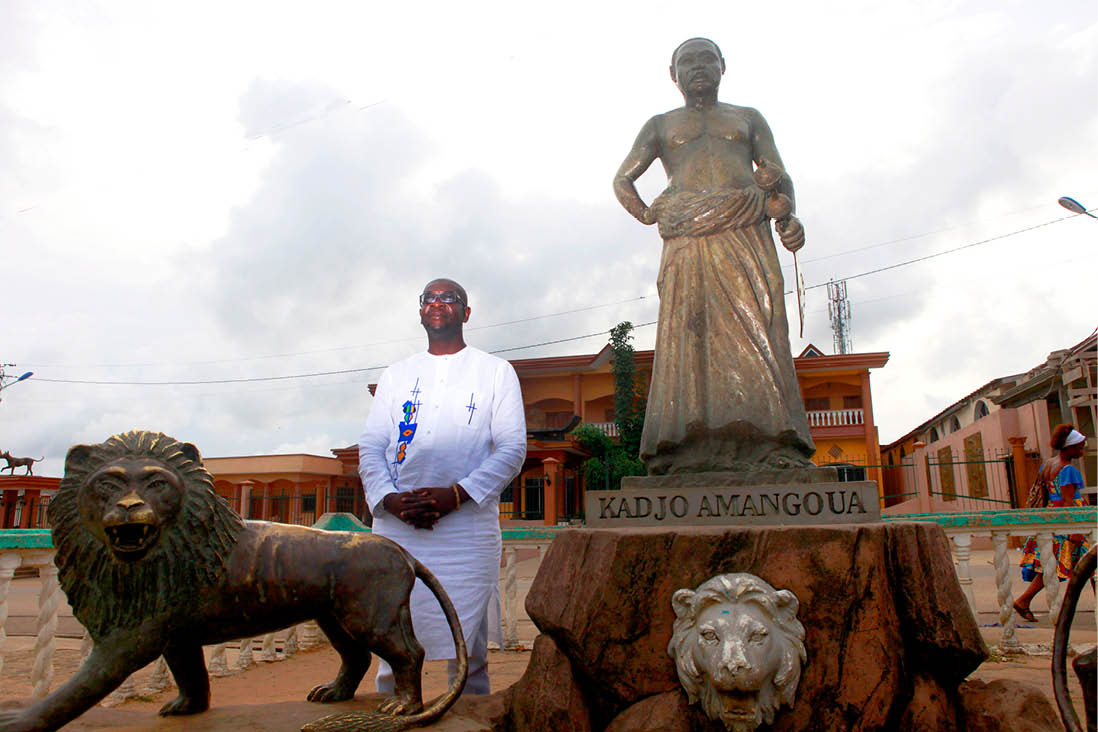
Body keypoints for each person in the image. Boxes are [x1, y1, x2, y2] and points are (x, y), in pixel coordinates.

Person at [613, 37, 814, 475]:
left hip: (746, 229)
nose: (698, 67)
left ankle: (771, 440)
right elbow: (623, 179)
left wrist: (788, 219)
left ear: (723, 67)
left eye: (707, 59)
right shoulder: (660, 125)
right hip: (688, 236)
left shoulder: (748, 119)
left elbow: (778, 178)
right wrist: (648, 213)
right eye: (688, 61)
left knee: (759, 325)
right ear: (674, 74)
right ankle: (686, 445)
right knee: (690, 331)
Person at [358, 278, 527, 695]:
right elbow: (373, 445)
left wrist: (456, 494)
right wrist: (390, 500)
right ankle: (394, 710)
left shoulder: (495, 372)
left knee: (468, 647)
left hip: (465, 527)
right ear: (420, 312)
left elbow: (511, 447)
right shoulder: (397, 375)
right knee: (392, 629)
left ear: (465, 313)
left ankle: (468, 714)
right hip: (399, 525)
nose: (438, 304)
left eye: (448, 298)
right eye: (429, 299)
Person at [1013, 424, 1092, 621]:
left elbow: (1047, 496)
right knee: (1089, 564)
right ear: (1070, 447)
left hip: (1052, 519)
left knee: (1054, 566)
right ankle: (1024, 600)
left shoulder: (1048, 465)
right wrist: (1076, 530)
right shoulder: (1068, 470)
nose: (1081, 451)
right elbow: (1068, 502)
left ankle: (1024, 600)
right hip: (1070, 522)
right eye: (1079, 447)